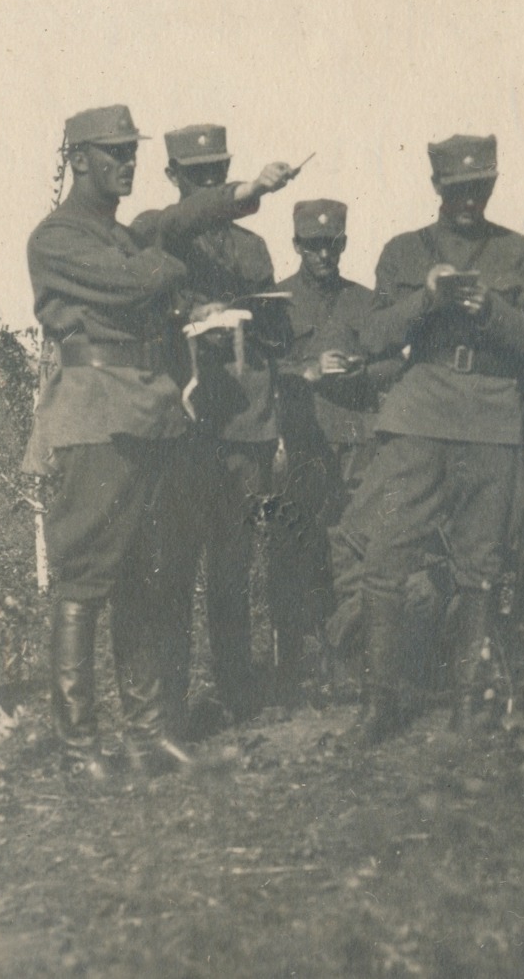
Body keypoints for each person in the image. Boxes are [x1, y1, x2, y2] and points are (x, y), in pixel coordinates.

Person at [22, 106, 300, 779]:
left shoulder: (124, 235)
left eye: (132, 152)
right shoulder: (57, 237)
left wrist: (191, 297)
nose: (128, 163)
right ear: (78, 159)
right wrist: (175, 277)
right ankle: (78, 747)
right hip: (96, 419)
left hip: (151, 416)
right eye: (113, 153)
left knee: (152, 577)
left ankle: (151, 737)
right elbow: (137, 281)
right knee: (85, 580)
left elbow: (169, 241)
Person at [337, 133, 524, 741]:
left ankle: (467, 702)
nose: (469, 199)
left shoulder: (519, 254)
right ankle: (379, 703)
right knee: (385, 554)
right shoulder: (404, 251)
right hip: (419, 418)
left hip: (491, 418)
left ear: (492, 184)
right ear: (437, 186)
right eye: (457, 189)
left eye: (479, 187)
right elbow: (373, 337)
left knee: (480, 565)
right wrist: (426, 299)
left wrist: (492, 310)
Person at [142, 124, 291, 727]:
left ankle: (236, 691)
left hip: (244, 425)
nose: (208, 184)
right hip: (184, 425)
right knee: (174, 568)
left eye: (217, 173)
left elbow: (278, 332)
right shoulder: (157, 235)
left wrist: (255, 320)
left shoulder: (252, 248)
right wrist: (188, 315)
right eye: (197, 175)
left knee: (234, 562)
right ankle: (171, 704)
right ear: (173, 177)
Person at [268, 199, 396, 704]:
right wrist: (306, 369)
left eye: (334, 244)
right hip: (300, 441)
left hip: (357, 441)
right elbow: (259, 368)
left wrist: (363, 369)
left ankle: (347, 660)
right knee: (297, 546)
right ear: (297, 245)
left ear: (344, 244)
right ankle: (293, 667)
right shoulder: (276, 302)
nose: (325, 254)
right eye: (314, 245)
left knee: (351, 546)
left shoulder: (365, 302)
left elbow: (395, 363)